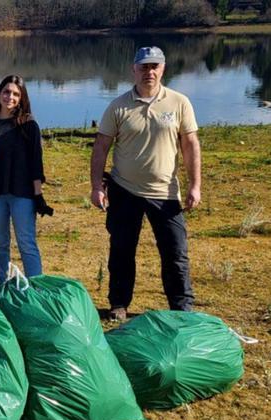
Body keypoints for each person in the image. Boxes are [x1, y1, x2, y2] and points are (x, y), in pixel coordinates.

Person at [90, 46, 201, 321]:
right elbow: (101, 147)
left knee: (175, 252)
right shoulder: (118, 106)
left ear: (163, 69)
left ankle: (182, 308)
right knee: (122, 250)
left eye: (154, 66)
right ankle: (119, 304)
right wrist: (96, 186)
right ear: (134, 69)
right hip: (124, 189)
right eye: (143, 67)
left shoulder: (179, 102)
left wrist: (194, 185)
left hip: (165, 192)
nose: (149, 72)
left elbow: (189, 145)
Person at [0, 75, 52, 285]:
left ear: (22, 98)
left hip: (23, 194)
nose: (10, 96)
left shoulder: (28, 124)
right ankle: (3, 286)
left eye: (16, 94)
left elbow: (36, 164)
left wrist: (38, 195)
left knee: (26, 243)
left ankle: (37, 288)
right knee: (0, 244)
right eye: (6, 91)